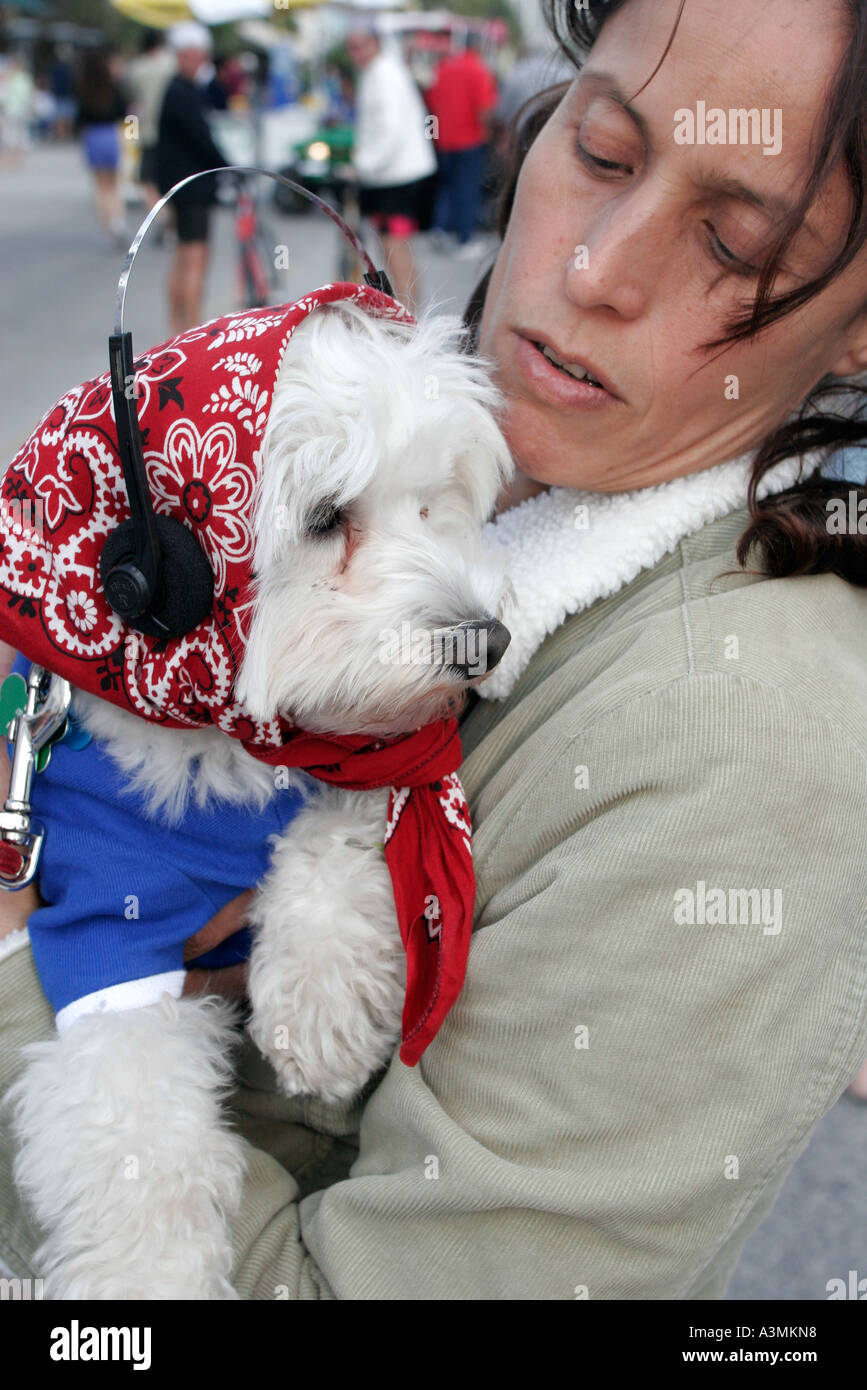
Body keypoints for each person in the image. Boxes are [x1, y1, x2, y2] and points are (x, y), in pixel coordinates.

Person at [2, 0, 867, 1302]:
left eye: (736, 243)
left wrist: (22, 964)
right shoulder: (479, 450)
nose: (593, 270)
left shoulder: (744, 752)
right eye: (602, 152)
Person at [346, 26, 437, 312]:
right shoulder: (380, 72)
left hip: (398, 177)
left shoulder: (384, 75)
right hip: (393, 175)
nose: (356, 54)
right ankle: (408, 313)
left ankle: (409, 316)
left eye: (360, 46)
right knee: (393, 250)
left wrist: (361, 165)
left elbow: (389, 130)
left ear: (375, 43)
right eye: (352, 47)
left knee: (396, 249)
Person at [157, 21, 228, 335]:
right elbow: (203, 140)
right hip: (192, 188)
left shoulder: (179, 89)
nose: (201, 62)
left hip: (179, 187)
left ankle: (178, 326)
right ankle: (191, 329)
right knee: (195, 258)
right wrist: (228, 166)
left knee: (184, 256)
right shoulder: (182, 92)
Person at [425, 32, 498, 258]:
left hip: (444, 139)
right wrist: (489, 134)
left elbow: (431, 101)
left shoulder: (444, 67)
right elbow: (485, 109)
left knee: (447, 186)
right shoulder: (478, 70)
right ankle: (464, 238)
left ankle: (440, 228)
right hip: (469, 138)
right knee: (467, 188)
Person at [73, 47, 127, 246]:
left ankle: (108, 224)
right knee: (113, 184)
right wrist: (131, 136)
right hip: (110, 133)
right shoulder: (113, 86)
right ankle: (118, 220)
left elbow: (79, 119)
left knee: (100, 185)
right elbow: (126, 113)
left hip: (93, 135)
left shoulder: (83, 87)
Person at [125, 28, 176, 215]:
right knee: (172, 178)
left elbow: (132, 101)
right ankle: (170, 215)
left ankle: (159, 214)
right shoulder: (172, 64)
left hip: (148, 131)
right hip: (171, 132)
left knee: (147, 179)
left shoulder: (137, 68)